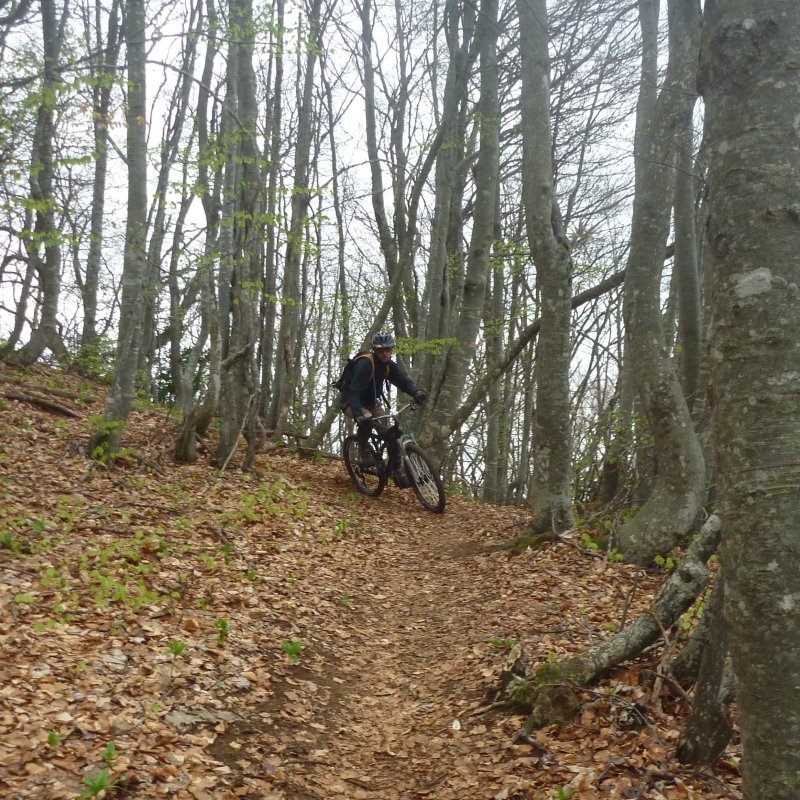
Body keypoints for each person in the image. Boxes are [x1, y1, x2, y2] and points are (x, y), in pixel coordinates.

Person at [340, 332, 427, 475]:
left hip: (372, 404)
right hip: (350, 402)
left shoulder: (388, 366)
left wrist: (416, 393)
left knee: (392, 435)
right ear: (375, 350)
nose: (385, 354)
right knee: (367, 420)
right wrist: (359, 414)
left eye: (388, 349)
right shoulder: (365, 364)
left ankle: (397, 471)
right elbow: (353, 391)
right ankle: (364, 450)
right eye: (381, 350)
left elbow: (402, 381)